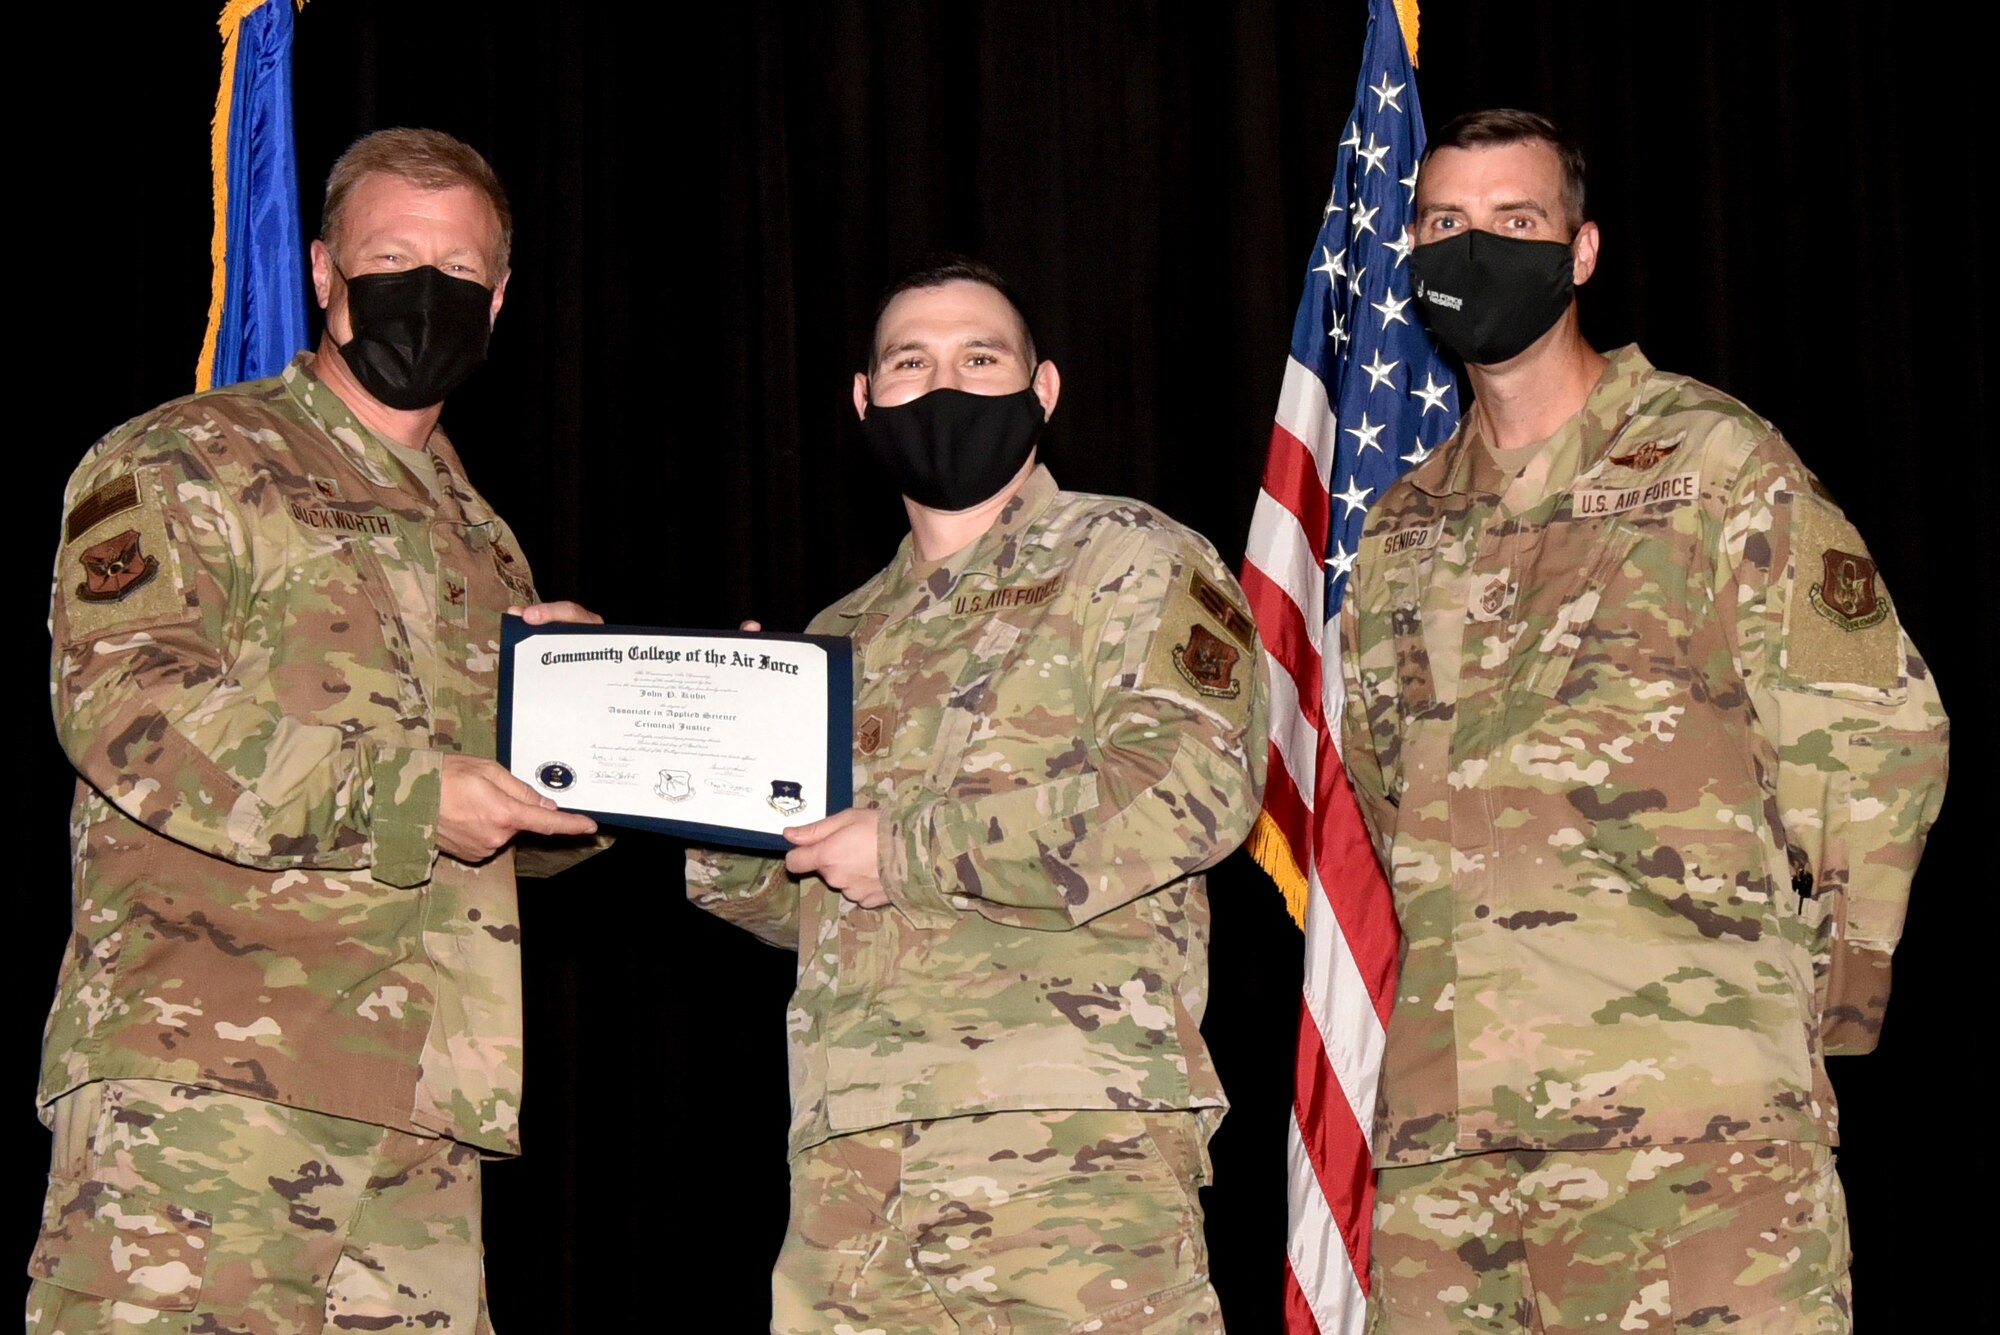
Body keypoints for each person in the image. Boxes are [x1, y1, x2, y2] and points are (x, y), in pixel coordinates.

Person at [1339, 109, 1949, 1333]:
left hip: (1690, 1130)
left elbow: (1876, 735)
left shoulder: (1710, 460)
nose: (1474, 251)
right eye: (1444, 225)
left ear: (1579, 252)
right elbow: (1383, 781)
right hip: (1454, 1146)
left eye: (1514, 224)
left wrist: (1807, 1007)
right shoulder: (1400, 522)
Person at [28, 128, 603, 1335]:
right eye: (394, 256)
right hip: (211, 1075)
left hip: (426, 1097)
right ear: (326, 269)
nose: (425, 292)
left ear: (499, 300)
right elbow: (132, 715)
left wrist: (587, 742)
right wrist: (411, 797)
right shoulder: (191, 455)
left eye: (459, 270)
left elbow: (493, 832)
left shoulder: (484, 547)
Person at [686, 255, 1267, 1332]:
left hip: (1067, 1140)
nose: (942, 384)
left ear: (1040, 390)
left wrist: (903, 848)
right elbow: (805, 904)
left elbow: (1189, 791)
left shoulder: (1128, 558)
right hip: (851, 1159)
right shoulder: (835, 637)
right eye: (909, 363)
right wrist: (721, 815)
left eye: (977, 358)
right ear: (864, 400)